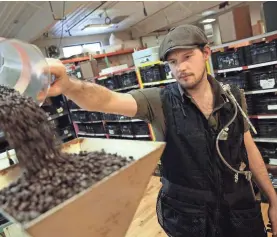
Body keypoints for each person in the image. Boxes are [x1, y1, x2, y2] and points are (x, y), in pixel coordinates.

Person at [46, 25, 277, 237]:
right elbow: (105, 100)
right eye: (173, 62)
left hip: (239, 212)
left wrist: (273, 200)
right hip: (191, 220)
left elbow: (248, 149)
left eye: (187, 57)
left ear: (206, 53)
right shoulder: (158, 102)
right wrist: (69, 85)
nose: (181, 68)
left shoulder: (233, 97)